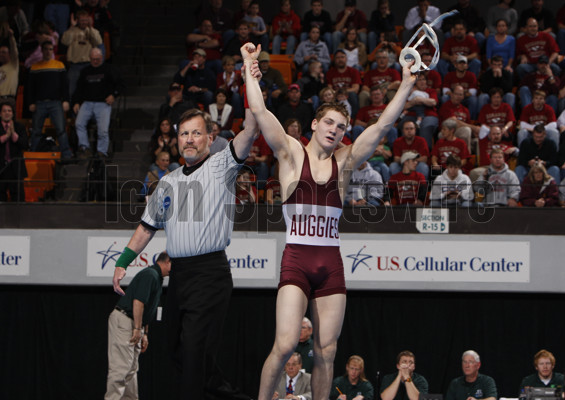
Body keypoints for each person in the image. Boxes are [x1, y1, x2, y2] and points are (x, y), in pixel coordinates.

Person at [243, 40, 416, 400]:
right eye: (329, 123)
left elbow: (384, 123)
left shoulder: (347, 161)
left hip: (330, 263)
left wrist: (406, 84)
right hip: (297, 260)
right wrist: (249, 66)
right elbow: (259, 111)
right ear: (314, 123)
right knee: (287, 343)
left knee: (327, 351)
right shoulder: (291, 153)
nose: (335, 130)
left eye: (342, 126)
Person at [111, 103, 259, 399]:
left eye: (196, 133)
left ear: (208, 137)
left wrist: (249, 78)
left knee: (193, 352)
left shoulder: (222, 165)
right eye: (184, 134)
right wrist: (122, 261)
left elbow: (252, 129)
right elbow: (146, 228)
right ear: (176, 139)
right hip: (179, 277)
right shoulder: (167, 181)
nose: (189, 139)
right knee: (179, 352)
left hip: (210, 273)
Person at [105, 251, 171, 400]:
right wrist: (137, 328)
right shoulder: (151, 275)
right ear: (167, 262)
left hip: (135, 323)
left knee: (131, 370)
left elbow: (148, 307)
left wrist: (144, 332)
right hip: (125, 320)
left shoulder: (157, 278)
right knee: (120, 369)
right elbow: (138, 302)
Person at [72, 48, 124, 159]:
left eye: (98, 59)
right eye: (93, 59)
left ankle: (102, 152)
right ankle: (84, 147)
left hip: (103, 103)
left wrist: (113, 95)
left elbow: (120, 84)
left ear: (102, 58)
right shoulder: (85, 71)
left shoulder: (109, 70)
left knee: (103, 131)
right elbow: (79, 88)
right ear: (90, 58)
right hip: (87, 102)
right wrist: (76, 102)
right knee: (79, 124)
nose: (96, 61)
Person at [27, 40, 72, 159]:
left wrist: (66, 100)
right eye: (46, 49)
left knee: (61, 129)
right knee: (36, 131)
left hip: (56, 102)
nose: (48, 51)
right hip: (40, 103)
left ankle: (66, 155)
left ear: (53, 51)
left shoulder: (59, 65)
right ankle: (33, 154)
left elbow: (65, 85)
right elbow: (30, 87)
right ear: (42, 51)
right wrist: (31, 102)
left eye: (50, 49)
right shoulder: (35, 67)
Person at [61, 10, 102, 99]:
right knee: (71, 92)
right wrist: (72, 27)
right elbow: (65, 41)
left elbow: (98, 42)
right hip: (74, 66)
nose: (84, 22)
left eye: (85, 20)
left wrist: (90, 28)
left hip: (88, 65)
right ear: (77, 20)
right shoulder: (72, 31)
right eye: (82, 20)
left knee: (88, 91)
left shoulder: (92, 31)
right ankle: (72, 112)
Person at [0, 101, 27, 202]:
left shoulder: (19, 127)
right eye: (4, 111)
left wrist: (14, 135)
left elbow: (25, 144)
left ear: (12, 113)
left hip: (15, 168)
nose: (7, 113)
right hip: (1, 169)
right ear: (0, 113)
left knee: (18, 199)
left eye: (9, 111)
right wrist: (6, 136)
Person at [326, 49, 361, 118]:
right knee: (328, 95)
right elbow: (329, 88)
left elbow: (356, 88)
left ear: (346, 58)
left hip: (348, 95)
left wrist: (343, 92)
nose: (340, 59)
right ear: (334, 60)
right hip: (335, 95)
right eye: (338, 58)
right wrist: (338, 93)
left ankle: (353, 118)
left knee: (353, 94)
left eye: (342, 57)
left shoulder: (353, 71)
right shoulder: (330, 73)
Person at [441, 55, 478, 120]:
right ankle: (447, 118)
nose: (461, 65)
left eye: (463, 64)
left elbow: (472, 92)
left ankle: (471, 120)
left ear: (467, 66)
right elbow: (445, 91)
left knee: (473, 99)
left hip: (465, 98)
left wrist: (460, 96)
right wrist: (456, 96)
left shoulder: (471, 76)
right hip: (453, 98)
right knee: (444, 97)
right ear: (455, 65)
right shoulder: (449, 76)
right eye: (459, 64)